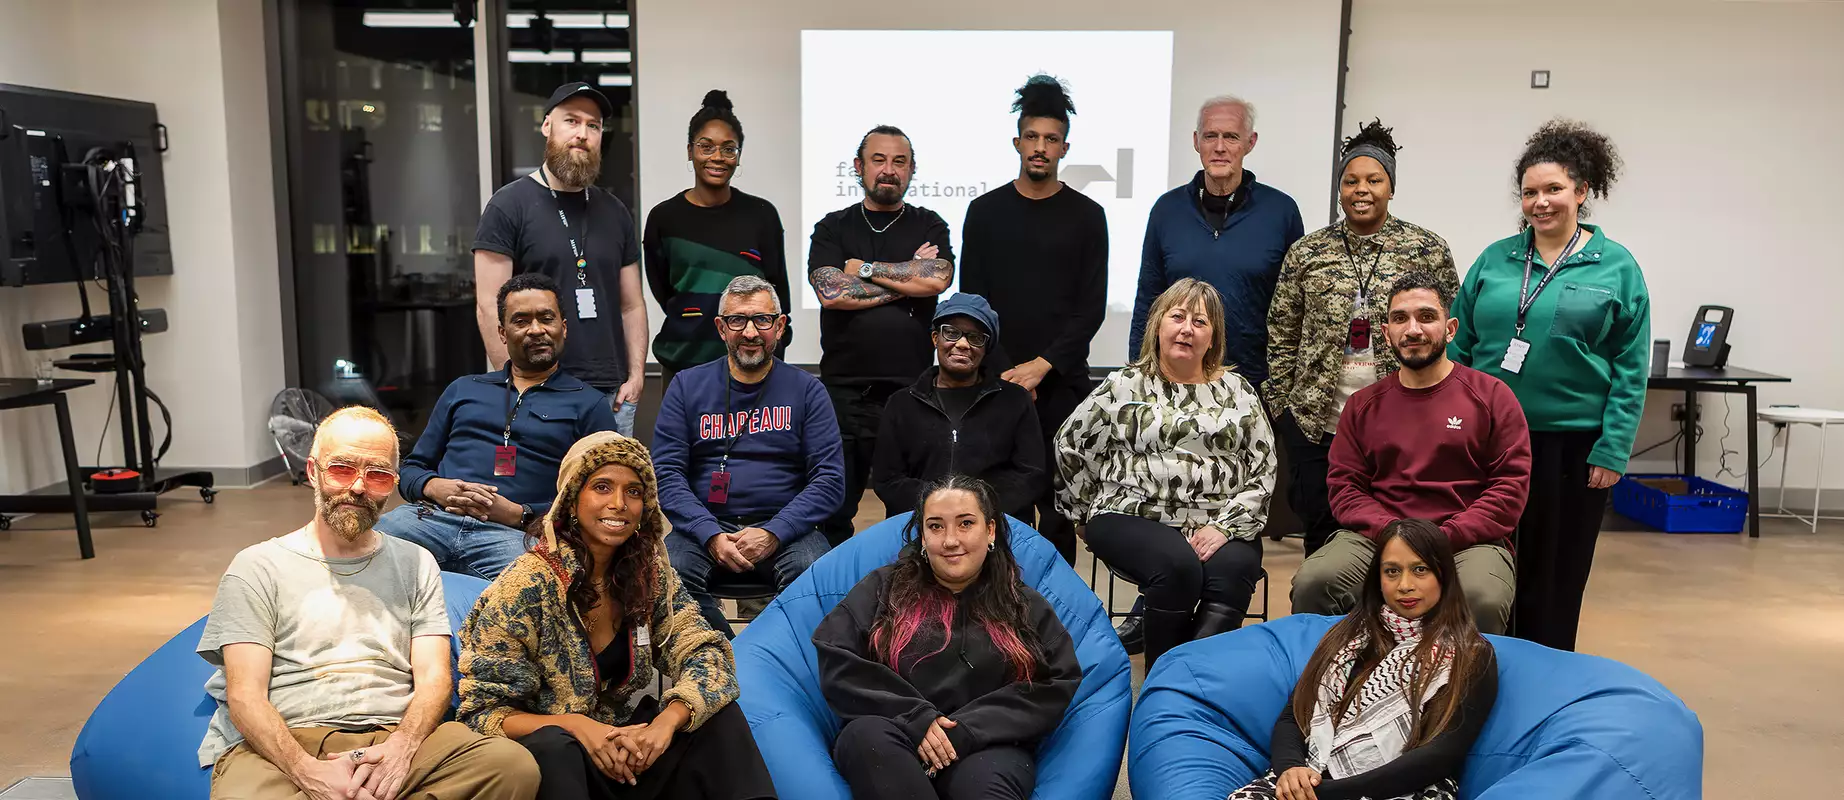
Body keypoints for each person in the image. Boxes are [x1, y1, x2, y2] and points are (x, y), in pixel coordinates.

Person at [198, 406, 539, 800]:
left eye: (377, 475)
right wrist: (308, 772)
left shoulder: (416, 563)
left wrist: (402, 747)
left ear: (393, 484)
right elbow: (245, 695)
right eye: (342, 469)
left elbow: (433, 677)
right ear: (313, 472)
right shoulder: (257, 567)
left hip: (395, 736)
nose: (358, 488)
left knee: (512, 768)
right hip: (293, 738)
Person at [458, 431, 777, 800]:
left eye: (634, 491)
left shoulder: (649, 574)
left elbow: (705, 653)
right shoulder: (525, 586)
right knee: (553, 747)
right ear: (571, 501)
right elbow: (482, 713)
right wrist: (575, 725)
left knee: (716, 717)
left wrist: (665, 722)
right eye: (602, 487)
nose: (619, 503)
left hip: (624, 746)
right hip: (560, 757)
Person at [1451, 120, 1649, 652]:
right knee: (1488, 568)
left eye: (1554, 189)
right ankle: (1478, 673)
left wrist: (1613, 448)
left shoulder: (1617, 267)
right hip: (1488, 440)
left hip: (1572, 446)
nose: (1541, 203)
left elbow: (1631, 366)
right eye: (1530, 193)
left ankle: (1545, 681)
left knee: (1556, 576)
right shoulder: (1495, 259)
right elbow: (1458, 345)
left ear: (1582, 192)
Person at [814, 475, 1082, 800]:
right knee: (865, 736)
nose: (950, 540)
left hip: (986, 746)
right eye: (936, 526)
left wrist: (968, 729)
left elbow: (1055, 681)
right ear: (923, 536)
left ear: (991, 530)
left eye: (965, 523)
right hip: (892, 733)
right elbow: (837, 655)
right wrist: (916, 718)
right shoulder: (883, 589)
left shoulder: (1023, 605)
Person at [1056, 278, 1276, 669]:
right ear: (1158, 325)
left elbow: (1263, 468)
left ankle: (1189, 684)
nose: (1187, 328)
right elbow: (1070, 445)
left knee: (1236, 569)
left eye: (1200, 322)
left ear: (1213, 338)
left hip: (1218, 519)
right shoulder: (1123, 385)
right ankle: (1165, 683)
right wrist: (1083, 512)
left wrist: (1225, 528)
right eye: (1177, 317)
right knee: (1178, 568)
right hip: (1129, 513)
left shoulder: (1239, 390)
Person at [1290, 273, 1528, 635]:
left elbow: (1508, 489)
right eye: (1400, 319)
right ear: (1386, 333)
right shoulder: (1362, 406)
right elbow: (1345, 489)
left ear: (1450, 329)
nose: (1413, 329)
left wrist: (1444, 538)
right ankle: (1325, 685)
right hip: (1378, 538)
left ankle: (1467, 690)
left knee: (1483, 597)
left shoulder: (1493, 397)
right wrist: (1394, 535)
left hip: (1466, 542)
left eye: (1426, 316)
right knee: (1316, 580)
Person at [1266, 120, 1459, 556]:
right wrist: (1284, 408)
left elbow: (1450, 327)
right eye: (1350, 180)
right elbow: (1281, 333)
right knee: (1322, 533)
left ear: (1391, 187)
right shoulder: (1309, 251)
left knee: (1400, 538)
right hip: (1320, 425)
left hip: (1404, 422)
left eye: (1374, 180)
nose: (1361, 189)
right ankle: (1328, 624)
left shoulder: (1426, 248)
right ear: (1339, 189)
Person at [377, 273, 621, 580]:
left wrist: (522, 514)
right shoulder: (463, 390)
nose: (536, 330)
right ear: (502, 332)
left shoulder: (589, 404)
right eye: (521, 321)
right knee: (363, 549)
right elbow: (412, 467)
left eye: (546, 318)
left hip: (515, 536)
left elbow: (600, 498)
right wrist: (434, 487)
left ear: (564, 328)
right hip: (431, 520)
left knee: (537, 584)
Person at [1236, 519, 1498, 800]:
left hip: (1409, 786)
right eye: (1392, 572)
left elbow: (1441, 754)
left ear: (1443, 576)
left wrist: (1329, 792)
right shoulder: (1349, 635)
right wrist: (1290, 769)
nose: (1405, 585)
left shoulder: (1470, 653)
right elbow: (1294, 715)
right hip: (1315, 774)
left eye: (1420, 570)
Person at [959, 74, 1107, 565]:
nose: (1040, 147)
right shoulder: (984, 212)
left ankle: (1055, 619)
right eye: (1032, 137)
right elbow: (974, 303)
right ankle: (1003, 616)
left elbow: (1091, 308)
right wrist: (1008, 372)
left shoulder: (1088, 215)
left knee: (1061, 512)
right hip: (997, 384)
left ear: (1064, 146)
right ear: (1017, 142)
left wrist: (1041, 367)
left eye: (1050, 139)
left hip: (1061, 386)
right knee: (1006, 509)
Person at [655, 275, 845, 637]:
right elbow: (667, 475)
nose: (750, 332)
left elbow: (830, 481)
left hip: (787, 530)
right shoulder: (686, 386)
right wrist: (710, 534)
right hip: (705, 528)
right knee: (667, 572)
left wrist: (774, 532)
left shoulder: (808, 391)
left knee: (817, 571)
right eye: (737, 320)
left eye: (762, 319)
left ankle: (774, 665)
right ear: (720, 328)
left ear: (780, 325)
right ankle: (723, 660)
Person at [809, 125, 956, 546]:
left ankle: (910, 603)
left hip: (912, 393)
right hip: (844, 392)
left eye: (899, 162)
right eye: (878, 160)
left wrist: (866, 269)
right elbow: (831, 292)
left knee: (912, 511)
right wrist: (906, 274)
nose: (888, 170)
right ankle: (836, 601)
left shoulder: (929, 223)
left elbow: (937, 278)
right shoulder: (833, 227)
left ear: (911, 170)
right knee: (835, 510)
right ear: (858, 167)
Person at [476, 81, 647, 437]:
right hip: (540, 389)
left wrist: (636, 375)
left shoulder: (615, 211)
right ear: (547, 126)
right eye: (571, 120)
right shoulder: (508, 206)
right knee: (539, 493)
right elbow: (489, 307)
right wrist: (516, 384)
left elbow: (632, 305)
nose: (582, 134)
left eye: (593, 125)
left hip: (610, 395)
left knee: (607, 493)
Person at [1130, 94, 1305, 389]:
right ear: (1197, 141)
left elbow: (1297, 310)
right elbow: (1148, 299)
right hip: (1176, 384)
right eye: (1211, 136)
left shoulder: (1281, 212)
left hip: (1255, 385)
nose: (1220, 147)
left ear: (1250, 142)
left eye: (1231, 137)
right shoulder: (1167, 210)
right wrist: (1138, 375)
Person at [643, 89, 791, 389]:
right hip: (683, 364)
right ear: (689, 151)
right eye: (706, 147)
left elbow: (778, 294)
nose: (717, 158)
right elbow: (665, 291)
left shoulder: (761, 215)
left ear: (738, 155)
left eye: (728, 149)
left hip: (753, 365)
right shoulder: (664, 218)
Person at [873, 293, 1046, 521]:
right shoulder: (901, 403)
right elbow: (887, 479)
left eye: (975, 337)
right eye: (952, 333)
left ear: (986, 348)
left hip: (997, 527)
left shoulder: (1015, 400)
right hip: (919, 526)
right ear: (935, 338)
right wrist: (940, 507)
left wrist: (975, 511)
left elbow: (1030, 474)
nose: (962, 344)